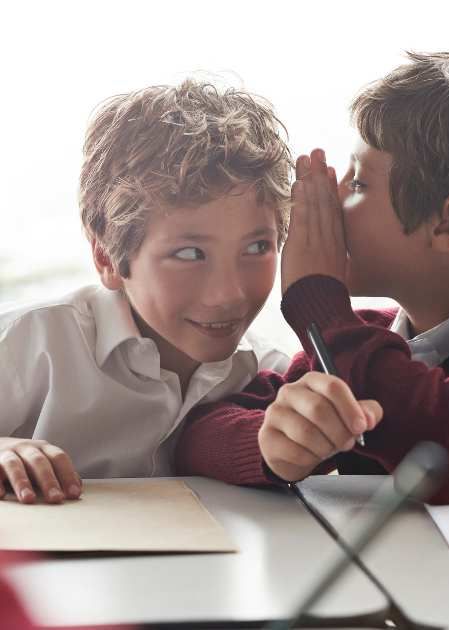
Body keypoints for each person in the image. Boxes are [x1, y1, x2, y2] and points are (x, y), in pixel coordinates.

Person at [175, 47, 449, 505]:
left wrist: (319, 304)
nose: (333, 198)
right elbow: (199, 434)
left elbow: (445, 452)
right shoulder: (368, 342)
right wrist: (273, 443)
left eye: (358, 183)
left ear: (447, 226)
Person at [0, 79, 292, 503]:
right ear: (106, 257)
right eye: (191, 253)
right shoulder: (32, 343)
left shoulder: (266, 374)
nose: (229, 293)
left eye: (257, 247)